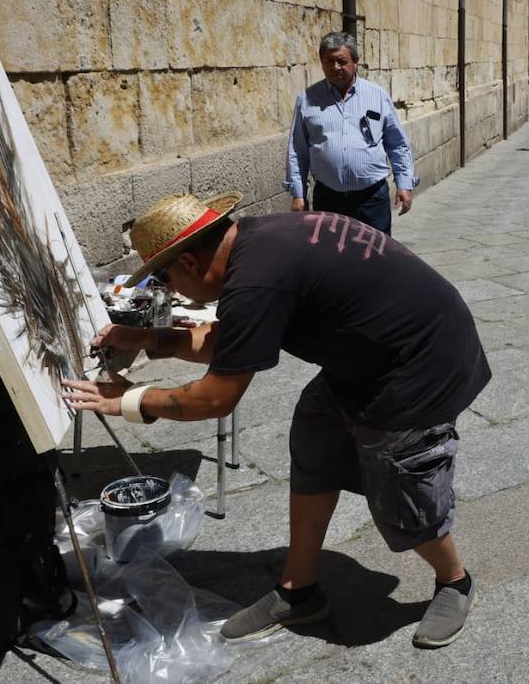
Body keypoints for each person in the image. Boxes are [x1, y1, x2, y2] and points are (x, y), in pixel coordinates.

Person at [63, 191, 491, 648]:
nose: (170, 290)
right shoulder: (257, 243)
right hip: (371, 357)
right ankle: (298, 590)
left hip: (424, 364)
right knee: (317, 436)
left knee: (401, 483)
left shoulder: (255, 280)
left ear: (188, 262)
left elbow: (215, 398)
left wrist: (127, 400)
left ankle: (455, 581)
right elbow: (230, 341)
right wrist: (149, 338)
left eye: (165, 280)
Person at [284, 32, 417, 235]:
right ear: (321, 62)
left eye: (342, 61)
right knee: (331, 260)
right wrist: (298, 194)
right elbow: (297, 151)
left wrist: (404, 184)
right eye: (329, 61)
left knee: (375, 259)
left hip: (371, 199)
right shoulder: (307, 100)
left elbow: (397, 143)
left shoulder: (377, 96)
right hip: (328, 199)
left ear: (355, 62)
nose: (335, 67)